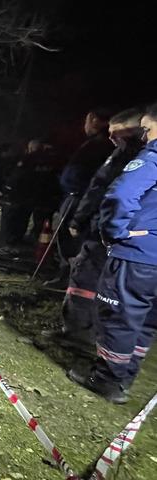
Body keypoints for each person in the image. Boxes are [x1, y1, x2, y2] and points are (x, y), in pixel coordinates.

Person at [67, 102, 157, 404]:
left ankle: (106, 379)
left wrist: (114, 233)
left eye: (146, 129)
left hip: (137, 255)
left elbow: (119, 195)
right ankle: (124, 378)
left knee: (119, 316)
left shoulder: (151, 158)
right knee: (143, 322)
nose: (144, 137)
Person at [56, 108, 145, 355]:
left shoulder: (134, 157)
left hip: (108, 232)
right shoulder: (124, 153)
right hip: (119, 233)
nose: (111, 138)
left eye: (115, 133)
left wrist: (84, 220)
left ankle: (77, 334)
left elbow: (106, 191)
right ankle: (87, 333)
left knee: (87, 277)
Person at [48, 109, 115, 286]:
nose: (84, 125)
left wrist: (80, 209)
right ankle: (64, 276)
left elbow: (96, 181)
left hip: (80, 199)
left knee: (73, 241)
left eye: (86, 120)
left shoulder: (103, 144)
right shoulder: (93, 143)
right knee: (65, 239)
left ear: (94, 120)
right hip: (74, 196)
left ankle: (70, 280)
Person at [0, 139, 61, 247]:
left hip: (19, 195)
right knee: (23, 219)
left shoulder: (27, 159)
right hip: (34, 197)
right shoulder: (49, 161)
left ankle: (8, 242)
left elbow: (16, 177)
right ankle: (19, 239)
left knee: (11, 220)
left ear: (30, 148)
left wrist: (6, 189)